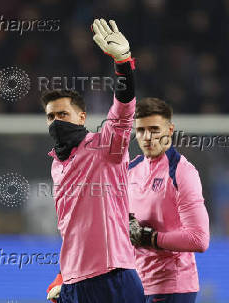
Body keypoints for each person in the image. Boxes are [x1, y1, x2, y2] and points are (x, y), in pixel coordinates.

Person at [44, 19, 144, 303]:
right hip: (74, 283)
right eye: (51, 116)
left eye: (62, 114)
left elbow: (123, 112)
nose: (55, 121)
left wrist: (123, 63)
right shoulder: (56, 164)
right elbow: (70, 227)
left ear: (82, 117)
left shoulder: (105, 146)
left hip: (112, 275)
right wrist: (64, 275)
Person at [128, 97, 210, 303]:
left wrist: (150, 238)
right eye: (141, 130)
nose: (147, 137)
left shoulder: (182, 172)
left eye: (154, 129)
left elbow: (199, 239)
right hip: (136, 284)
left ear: (170, 130)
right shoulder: (132, 169)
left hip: (172, 287)